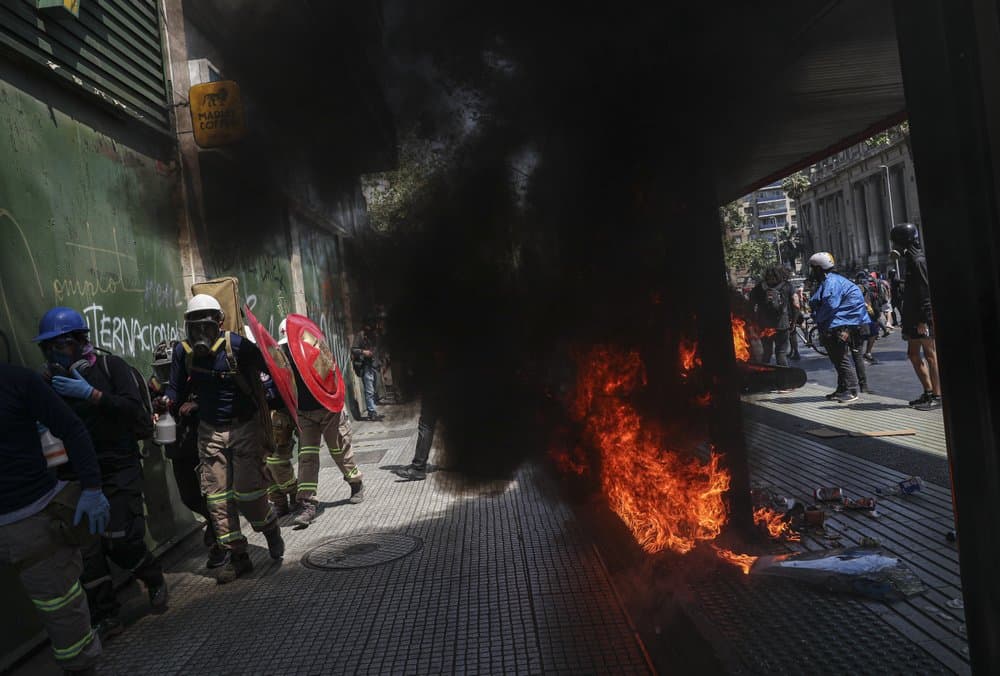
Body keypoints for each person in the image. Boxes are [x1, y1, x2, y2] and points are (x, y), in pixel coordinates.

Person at [34, 307, 167, 639]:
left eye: (61, 345)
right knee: (86, 553)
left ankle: (152, 577)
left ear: (81, 342)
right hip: (73, 476)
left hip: (116, 468)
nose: (55, 354)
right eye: (48, 348)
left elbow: (135, 411)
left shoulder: (110, 368)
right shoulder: (46, 386)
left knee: (120, 540)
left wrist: (92, 395)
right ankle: (107, 615)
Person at [158, 294, 284, 583]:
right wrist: (167, 400)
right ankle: (238, 557)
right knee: (217, 499)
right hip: (209, 430)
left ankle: (270, 528)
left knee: (250, 494)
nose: (200, 332)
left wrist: (275, 400)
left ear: (219, 322)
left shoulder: (237, 346)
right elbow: (176, 389)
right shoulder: (183, 352)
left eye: (206, 324)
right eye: (194, 325)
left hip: (244, 426)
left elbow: (273, 373)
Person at [1, 363, 110, 675]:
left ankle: (82, 668)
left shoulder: (14, 380)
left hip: (34, 521)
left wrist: (91, 487)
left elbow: (72, 427)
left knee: (63, 615)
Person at [267, 319, 364, 527]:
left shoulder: (315, 350)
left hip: (329, 410)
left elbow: (331, 379)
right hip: (305, 414)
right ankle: (307, 503)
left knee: (339, 450)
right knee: (307, 457)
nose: (286, 348)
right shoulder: (280, 356)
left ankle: (356, 483)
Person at [149, 341, 228, 569]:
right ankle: (214, 525)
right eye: (162, 368)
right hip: (178, 450)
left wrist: (197, 405)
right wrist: (156, 410)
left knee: (212, 495)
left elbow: (221, 400)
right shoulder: (156, 386)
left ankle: (220, 542)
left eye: (170, 367)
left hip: (204, 446)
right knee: (190, 497)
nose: (166, 374)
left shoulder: (200, 379)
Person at [890, 223, 942, 408]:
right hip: (912, 316)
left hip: (921, 317)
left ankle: (937, 395)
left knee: (930, 354)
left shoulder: (918, 261)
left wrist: (923, 319)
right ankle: (928, 392)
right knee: (913, 354)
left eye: (896, 242)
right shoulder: (911, 259)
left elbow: (925, 292)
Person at [807, 253, 871, 402]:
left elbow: (830, 304)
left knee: (840, 358)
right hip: (841, 323)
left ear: (819, 268)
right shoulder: (830, 280)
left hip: (840, 325)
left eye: (813, 269)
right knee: (837, 358)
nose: (812, 272)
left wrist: (817, 317)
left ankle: (851, 389)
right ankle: (842, 388)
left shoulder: (832, 282)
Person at [749, 265, 796, 367]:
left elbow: (750, 306)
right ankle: (783, 380)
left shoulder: (759, 288)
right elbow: (795, 304)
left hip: (764, 325)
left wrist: (754, 322)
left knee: (766, 352)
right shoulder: (787, 286)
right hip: (782, 325)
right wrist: (794, 321)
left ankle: (764, 376)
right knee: (781, 353)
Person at [351, 320, 384, 421]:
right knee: (369, 390)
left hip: (375, 365)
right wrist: (363, 352)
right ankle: (372, 412)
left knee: (374, 389)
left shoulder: (376, 335)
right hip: (366, 365)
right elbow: (353, 349)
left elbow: (379, 348)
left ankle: (372, 409)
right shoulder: (361, 335)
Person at [855, 273, 881, 364]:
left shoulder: (869, 291)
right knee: (861, 337)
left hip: (869, 317)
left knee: (873, 333)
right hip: (861, 318)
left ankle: (867, 353)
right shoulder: (858, 290)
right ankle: (860, 357)